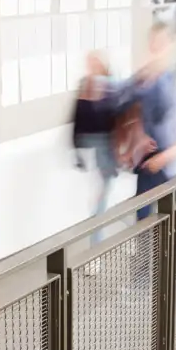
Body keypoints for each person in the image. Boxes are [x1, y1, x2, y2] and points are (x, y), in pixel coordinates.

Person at [109, 21, 176, 220]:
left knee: (172, 224)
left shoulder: (169, 78)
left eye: (162, 43)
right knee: (145, 220)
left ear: (169, 45)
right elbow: (119, 106)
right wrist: (126, 144)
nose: (157, 48)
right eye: (155, 42)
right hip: (149, 161)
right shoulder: (142, 79)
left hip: (167, 163)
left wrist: (169, 155)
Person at [72, 51, 120, 245]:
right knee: (100, 197)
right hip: (90, 146)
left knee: (101, 197)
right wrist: (76, 149)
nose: (90, 67)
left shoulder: (111, 87)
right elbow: (77, 117)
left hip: (106, 147)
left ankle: (97, 243)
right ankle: (97, 242)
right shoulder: (85, 85)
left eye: (93, 63)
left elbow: (116, 118)